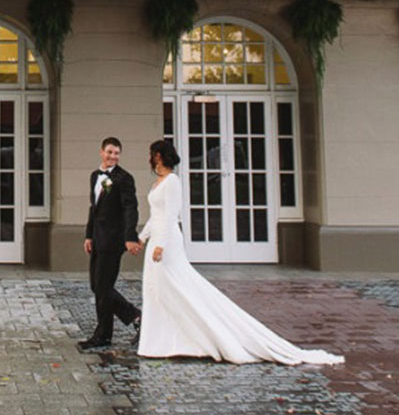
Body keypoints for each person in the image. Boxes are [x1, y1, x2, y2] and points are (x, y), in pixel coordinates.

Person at [136, 139, 343, 365]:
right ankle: (161, 339)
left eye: (152, 153)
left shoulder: (172, 181)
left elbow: (171, 215)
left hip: (167, 242)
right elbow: (156, 215)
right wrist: (142, 237)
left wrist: (161, 245)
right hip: (155, 238)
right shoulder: (159, 182)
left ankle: (195, 336)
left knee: (176, 288)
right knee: (156, 289)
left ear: (159, 156)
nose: (150, 157)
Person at [80, 137, 143, 350]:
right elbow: (94, 208)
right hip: (97, 238)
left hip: (113, 241)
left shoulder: (124, 178)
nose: (113, 156)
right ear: (101, 152)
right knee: (97, 286)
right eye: (109, 152)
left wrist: (130, 236)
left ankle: (104, 335)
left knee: (103, 287)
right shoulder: (95, 176)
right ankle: (135, 318)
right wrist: (89, 235)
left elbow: (130, 208)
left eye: (116, 153)